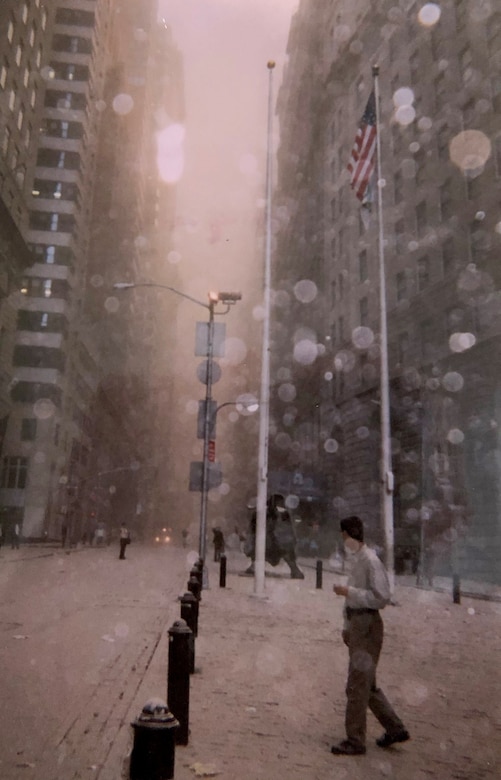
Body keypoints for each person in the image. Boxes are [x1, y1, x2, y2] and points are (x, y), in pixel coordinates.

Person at [331, 515, 409, 756]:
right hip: (358, 623)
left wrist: (349, 591)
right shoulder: (357, 559)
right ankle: (394, 728)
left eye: (343, 535)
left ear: (349, 534)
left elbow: (381, 597)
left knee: (357, 685)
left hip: (367, 623)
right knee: (367, 683)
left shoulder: (370, 560)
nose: (342, 540)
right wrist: (346, 625)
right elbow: (352, 601)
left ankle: (355, 740)